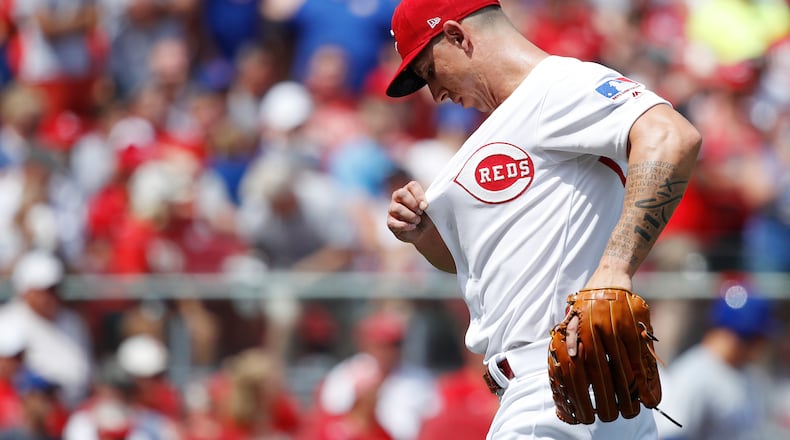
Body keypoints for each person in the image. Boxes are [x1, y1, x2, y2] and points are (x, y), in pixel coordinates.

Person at [384, 0, 702, 438]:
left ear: (457, 36)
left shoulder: (556, 86)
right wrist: (425, 236)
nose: (434, 94)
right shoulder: (509, 121)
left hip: (550, 391)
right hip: (581, 393)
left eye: (429, 72)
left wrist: (614, 268)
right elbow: (487, 271)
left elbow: (671, 136)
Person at [654, 284, 776, 439]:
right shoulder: (694, 373)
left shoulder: (748, 374)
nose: (762, 346)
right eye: (758, 339)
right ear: (739, 336)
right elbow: (672, 434)